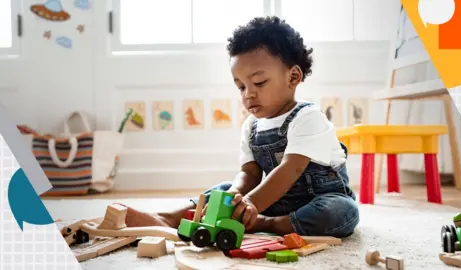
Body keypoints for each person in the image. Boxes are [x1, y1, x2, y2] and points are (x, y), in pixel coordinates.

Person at [120, 16, 359, 238]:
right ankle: (169, 218)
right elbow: (250, 173)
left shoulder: (308, 117)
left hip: (318, 199)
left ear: (293, 77)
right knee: (223, 190)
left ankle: (267, 224)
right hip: (271, 200)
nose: (249, 94)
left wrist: (253, 203)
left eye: (259, 82)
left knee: (339, 212)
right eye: (241, 87)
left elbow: (290, 169)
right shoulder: (251, 126)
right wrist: (236, 194)